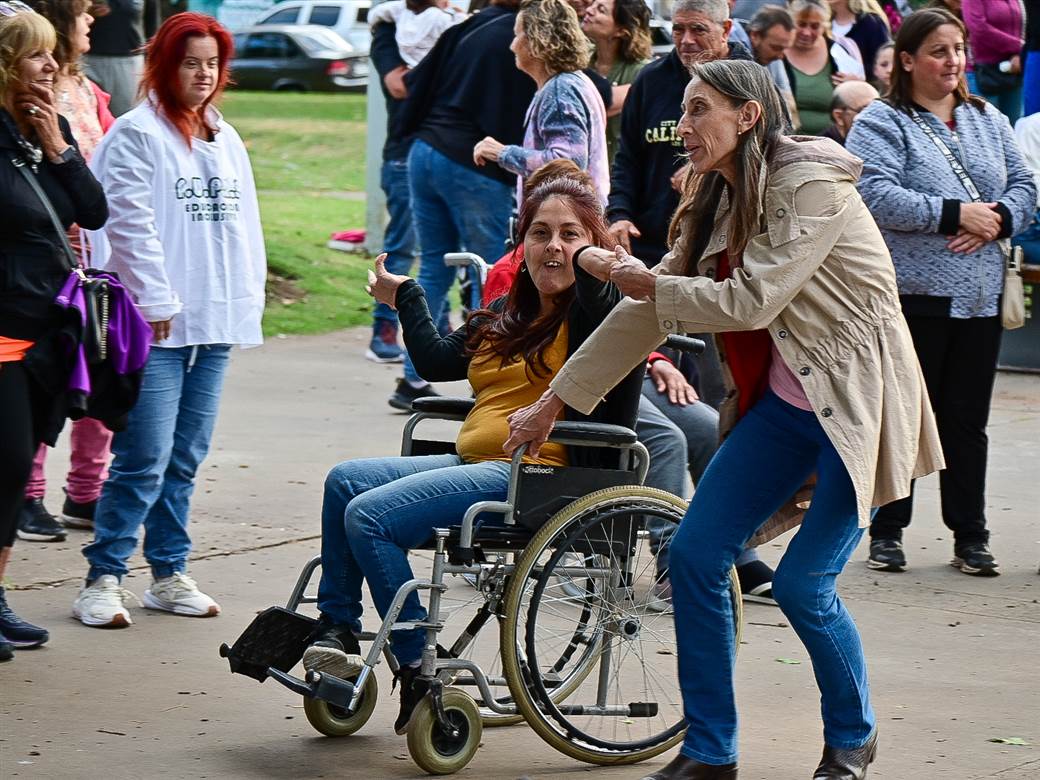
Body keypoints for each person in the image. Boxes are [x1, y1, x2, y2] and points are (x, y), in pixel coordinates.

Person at [505, 58, 944, 780]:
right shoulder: (714, 194)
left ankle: (851, 739)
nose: (684, 126)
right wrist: (556, 401)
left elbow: (750, 301)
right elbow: (652, 307)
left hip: (854, 408)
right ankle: (711, 752)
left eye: (699, 110)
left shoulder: (810, 183)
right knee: (695, 554)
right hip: (783, 407)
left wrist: (624, 272)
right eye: (683, 110)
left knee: (805, 586)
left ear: (747, 116)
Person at [304, 177, 642, 737]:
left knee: (370, 516)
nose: (553, 247)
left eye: (569, 235)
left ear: (591, 246)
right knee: (346, 482)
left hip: (540, 476)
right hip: (478, 468)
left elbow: (597, 293)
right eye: (540, 234)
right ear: (521, 244)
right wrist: (408, 295)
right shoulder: (511, 309)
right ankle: (337, 632)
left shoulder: (598, 313)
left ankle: (417, 666)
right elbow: (438, 362)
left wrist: (592, 259)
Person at [72, 12, 267, 627]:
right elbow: (129, 225)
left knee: (185, 457)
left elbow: (244, 230)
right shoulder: (135, 135)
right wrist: (155, 300)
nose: (204, 74)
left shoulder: (224, 137)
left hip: (213, 323)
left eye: (212, 62)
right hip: (154, 326)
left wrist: (244, 300)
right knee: (143, 458)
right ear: (163, 64)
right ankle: (103, 576)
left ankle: (168, 571)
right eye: (191, 61)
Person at [846, 8, 1036, 577]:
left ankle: (970, 534)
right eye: (938, 51)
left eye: (958, 49)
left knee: (966, 420)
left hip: (978, 295)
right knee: (902, 416)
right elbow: (874, 193)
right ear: (906, 60)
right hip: (912, 295)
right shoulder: (882, 121)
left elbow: (1027, 186)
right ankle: (888, 530)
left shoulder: (988, 118)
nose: (953, 61)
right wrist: (956, 214)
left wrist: (997, 218)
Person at [0, 1, 108, 659]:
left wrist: (59, 148)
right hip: (3, 334)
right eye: (35, 54)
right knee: (9, 459)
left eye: (50, 52)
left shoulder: (42, 130)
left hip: (49, 333)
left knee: (12, 474)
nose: (50, 64)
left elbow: (91, 212)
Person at [390, 0, 536, 410]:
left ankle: (412, 378)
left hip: (425, 150)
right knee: (489, 271)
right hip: (470, 162)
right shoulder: (520, 32)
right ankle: (487, 376)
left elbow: (418, 81)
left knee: (437, 263)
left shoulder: (469, 26)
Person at [15, 0, 115, 544]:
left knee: (94, 377)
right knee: (36, 390)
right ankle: (27, 493)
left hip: (86, 262)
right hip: (35, 270)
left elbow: (99, 192)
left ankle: (85, 490)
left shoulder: (87, 94)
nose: (92, 20)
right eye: (81, 13)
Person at [607, 0, 754, 269]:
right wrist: (619, 214)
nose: (686, 40)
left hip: (723, 246)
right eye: (678, 30)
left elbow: (771, 155)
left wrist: (707, 167)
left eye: (698, 29)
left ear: (726, 29)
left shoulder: (751, 82)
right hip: (650, 243)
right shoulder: (649, 80)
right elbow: (627, 157)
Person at [473, 0, 609, 205]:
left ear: (538, 40)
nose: (512, 46)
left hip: (566, 224)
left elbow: (567, 164)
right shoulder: (568, 83)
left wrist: (502, 153)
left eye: (518, 35)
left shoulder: (560, 90)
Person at [581, 0, 652, 164]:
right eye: (593, 4)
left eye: (601, 10)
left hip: (620, 176)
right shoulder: (580, 63)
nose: (590, 10)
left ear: (621, 31)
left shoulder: (642, 72)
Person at [783, 0, 866, 135]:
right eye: (801, 24)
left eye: (815, 26)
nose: (807, 32)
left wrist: (855, 88)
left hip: (832, 144)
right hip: (786, 143)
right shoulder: (776, 53)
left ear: (824, 27)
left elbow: (863, 102)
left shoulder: (840, 53)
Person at [83, 0, 159, 116]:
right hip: (87, 58)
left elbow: (152, 27)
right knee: (88, 116)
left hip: (128, 63)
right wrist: (85, 8)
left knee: (128, 116)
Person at [961, 0, 1025, 124]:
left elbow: (1024, 26)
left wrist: (1019, 54)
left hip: (1012, 70)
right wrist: (1019, 47)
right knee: (987, 130)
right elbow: (978, 28)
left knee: (1014, 129)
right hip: (983, 74)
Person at [367, 0, 465, 68]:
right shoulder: (440, 18)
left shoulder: (400, 10)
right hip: (432, 66)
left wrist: (373, 26)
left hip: (408, 63)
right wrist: (460, 14)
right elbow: (459, 31)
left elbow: (375, 14)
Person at [745, 5, 798, 123]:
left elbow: (789, 108)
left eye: (784, 49)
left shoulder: (771, 56)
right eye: (776, 48)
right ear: (755, 35)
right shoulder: (730, 45)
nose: (780, 56)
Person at [827, 0, 892, 77]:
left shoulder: (871, 23)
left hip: (869, 87)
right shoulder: (821, 27)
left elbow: (887, 63)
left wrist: (859, 76)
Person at [821, 78, 878, 142]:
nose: (875, 118)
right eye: (865, 111)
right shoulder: (822, 148)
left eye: (877, 110)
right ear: (839, 117)